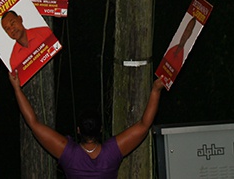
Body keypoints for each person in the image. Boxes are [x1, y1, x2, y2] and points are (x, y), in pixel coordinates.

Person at [9, 71, 165, 178]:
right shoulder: (111, 152)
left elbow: (33, 123)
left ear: (78, 130)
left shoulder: (69, 154)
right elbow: (144, 125)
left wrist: (17, 88)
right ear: (101, 129)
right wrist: (155, 90)